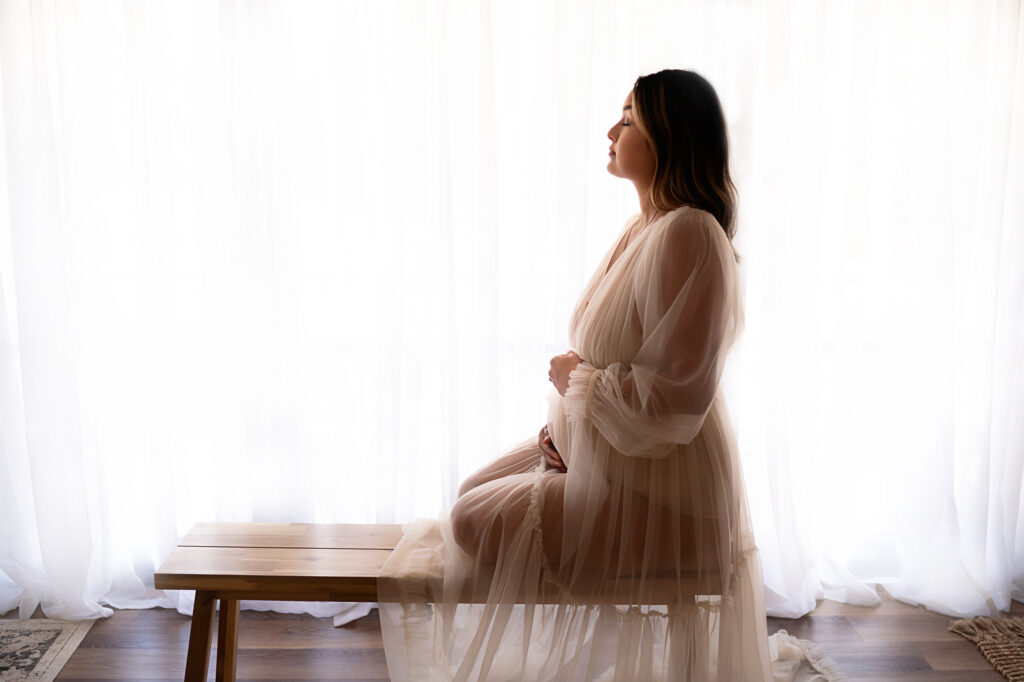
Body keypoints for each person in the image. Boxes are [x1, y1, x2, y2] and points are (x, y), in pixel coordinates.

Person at [378, 69, 842, 682]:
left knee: (470, 521)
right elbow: (629, 367)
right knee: (468, 496)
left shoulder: (690, 233)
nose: (611, 131)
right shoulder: (645, 226)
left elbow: (676, 400)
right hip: (617, 450)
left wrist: (578, 381)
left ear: (667, 138)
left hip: (670, 489)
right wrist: (571, 427)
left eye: (628, 120)